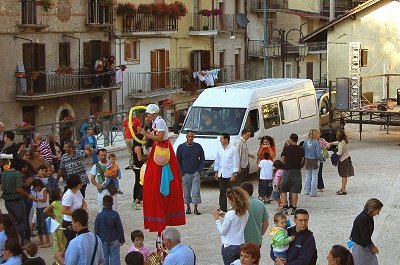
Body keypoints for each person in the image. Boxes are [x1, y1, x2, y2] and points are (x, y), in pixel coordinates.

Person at [139, 104, 185, 248]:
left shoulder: (159, 122)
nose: (148, 116)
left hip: (162, 152)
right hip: (159, 150)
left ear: (155, 113)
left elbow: (159, 137)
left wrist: (146, 134)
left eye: (149, 114)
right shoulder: (155, 121)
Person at [1, 158, 35, 243]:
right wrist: (27, 195)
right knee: (21, 221)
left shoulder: (4, 173)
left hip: (7, 201)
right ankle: (22, 240)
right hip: (17, 200)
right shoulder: (17, 174)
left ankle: (15, 239)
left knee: (13, 221)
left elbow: (2, 187)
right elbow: (18, 189)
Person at [213, 187, 249, 265]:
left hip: (229, 245)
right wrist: (224, 215)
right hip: (241, 244)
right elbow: (236, 220)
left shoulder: (230, 214)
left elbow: (222, 231)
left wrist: (217, 219)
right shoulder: (245, 212)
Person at [176, 130, 205, 215]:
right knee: (186, 191)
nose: (191, 138)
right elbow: (178, 160)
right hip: (186, 173)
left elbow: (202, 158)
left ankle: (195, 208)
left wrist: (199, 170)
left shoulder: (198, 146)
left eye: (192, 137)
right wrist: (182, 171)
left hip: (195, 173)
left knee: (196, 191)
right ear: (186, 137)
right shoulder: (181, 147)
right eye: (189, 136)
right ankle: (188, 207)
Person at [349, 198, 383, 265]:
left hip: (363, 245)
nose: (378, 213)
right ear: (373, 209)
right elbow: (365, 236)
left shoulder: (367, 217)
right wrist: (373, 247)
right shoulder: (363, 219)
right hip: (360, 246)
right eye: (378, 211)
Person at [95, 195, 125, 265]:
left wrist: (97, 240)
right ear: (112, 203)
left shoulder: (100, 215)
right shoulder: (115, 214)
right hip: (114, 238)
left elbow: (96, 229)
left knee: (104, 258)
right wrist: (122, 239)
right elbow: (120, 228)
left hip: (103, 239)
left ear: (103, 204)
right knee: (115, 258)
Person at [214, 132, 239, 212]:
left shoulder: (233, 149)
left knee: (232, 191)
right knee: (222, 191)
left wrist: (234, 173)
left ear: (226, 139)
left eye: (221, 139)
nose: (220, 140)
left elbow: (236, 161)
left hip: (230, 173)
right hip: (222, 173)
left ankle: (235, 206)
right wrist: (216, 171)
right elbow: (217, 160)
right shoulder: (219, 148)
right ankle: (222, 207)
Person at [280, 133, 304, 215]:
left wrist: (283, 164)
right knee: (295, 189)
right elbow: (302, 159)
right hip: (297, 170)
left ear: (291, 139)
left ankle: (284, 207)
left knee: (283, 188)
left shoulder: (287, 148)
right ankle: (294, 207)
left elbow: (282, 159)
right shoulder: (301, 148)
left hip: (287, 170)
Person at [61, 174, 87, 248]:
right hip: (69, 222)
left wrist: (83, 210)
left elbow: (83, 201)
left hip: (78, 220)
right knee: (72, 243)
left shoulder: (78, 191)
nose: (81, 184)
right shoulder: (69, 195)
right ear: (75, 185)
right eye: (80, 183)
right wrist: (77, 213)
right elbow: (64, 210)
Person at [240, 182, 269, 247]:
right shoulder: (261, 204)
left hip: (242, 241)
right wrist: (259, 234)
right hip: (256, 241)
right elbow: (266, 223)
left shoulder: (240, 204)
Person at [90, 148, 119, 213]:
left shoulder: (112, 164)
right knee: (100, 206)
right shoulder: (95, 166)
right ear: (98, 156)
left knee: (114, 206)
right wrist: (97, 185)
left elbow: (117, 175)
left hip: (112, 188)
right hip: (102, 189)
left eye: (105, 155)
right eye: (101, 155)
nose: (103, 157)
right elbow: (92, 179)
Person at [331, 129, 354, 195]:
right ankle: (342, 188)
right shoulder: (345, 141)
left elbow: (340, 153)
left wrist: (334, 155)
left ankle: (343, 190)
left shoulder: (341, 144)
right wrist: (332, 143)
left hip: (343, 160)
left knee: (343, 175)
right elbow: (338, 142)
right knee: (344, 175)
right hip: (347, 159)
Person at [43, 188, 66, 253]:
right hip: (57, 223)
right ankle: (57, 252)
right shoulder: (55, 203)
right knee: (57, 238)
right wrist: (53, 214)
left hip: (60, 222)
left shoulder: (61, 202)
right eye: (61, 193)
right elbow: (45, 210)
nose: (62, 194)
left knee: (62, 238)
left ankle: (62, 251)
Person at [303, 129, 324, 197]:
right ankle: (313, 192)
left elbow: (303, 150)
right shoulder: (316, 142)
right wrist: (322, 159)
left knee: (308, 175)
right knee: (314, 176)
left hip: (307, 160)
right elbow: (318, 154)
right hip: (314, 160)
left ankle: (306, 190)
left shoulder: (305, 141)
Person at [30, 179, 51, 248]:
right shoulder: (37, 192)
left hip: (44, 208)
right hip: (38, 208)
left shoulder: (44, 190)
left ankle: (48, 241)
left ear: (39, 186)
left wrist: (36, 199)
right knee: (38, 224)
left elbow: (44, 199)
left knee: (44, 225)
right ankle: (41, 239)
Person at [131, 135, 144, 209]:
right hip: (138, 167)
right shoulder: (138, 147)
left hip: (136, 166)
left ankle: (136, 199)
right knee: (138, 183)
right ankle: (136, 199)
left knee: (137, 182)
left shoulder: (135, 146)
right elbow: (139, 159)